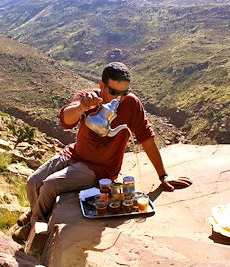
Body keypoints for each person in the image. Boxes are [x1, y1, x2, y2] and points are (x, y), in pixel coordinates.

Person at [12, 62, 191, 241]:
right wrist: (82, 107)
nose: (119, 98)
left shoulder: (131, 104)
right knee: (33, 182)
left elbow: (147, 138)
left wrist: (163, 175)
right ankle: (35, 212)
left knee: (50, 186)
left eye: (124, 93)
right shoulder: (88, 99)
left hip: (98, 168)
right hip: (74, 154)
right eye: (113, 92)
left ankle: (34, 229)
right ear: (101, 86)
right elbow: (66, 120)